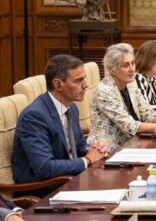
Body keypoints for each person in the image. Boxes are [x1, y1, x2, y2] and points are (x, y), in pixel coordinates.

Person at [12, 55, 109, 185]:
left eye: (84, 79)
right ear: (58, 84)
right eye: (78, 80)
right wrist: (87, 160)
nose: (86, 85)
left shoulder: (71, 107)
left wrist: (95, 149)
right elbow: (44, 167)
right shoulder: (34, 116)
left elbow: (78, 145)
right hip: (44, 189)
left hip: (71, 181)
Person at [89, 43, 156, 151]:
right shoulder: (105, 91)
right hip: (106, 151)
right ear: (113, 69)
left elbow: (146, 110)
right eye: (126, 65)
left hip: (132, 144)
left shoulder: (131, 83)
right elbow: (129, 125)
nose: (132, 69)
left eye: (133, 63)